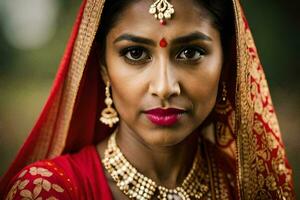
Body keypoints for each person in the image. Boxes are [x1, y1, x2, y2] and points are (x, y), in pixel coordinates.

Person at [0, 0, 295, 199]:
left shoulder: (246, 188)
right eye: (136, 53)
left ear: (228, 64)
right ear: (103, 67)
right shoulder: (49, 190)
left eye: (190, 52)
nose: (165, 87)